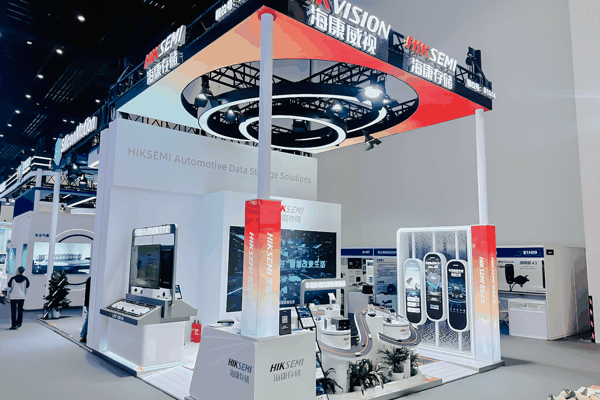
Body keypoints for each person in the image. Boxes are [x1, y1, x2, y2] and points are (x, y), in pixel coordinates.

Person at [80, 276, 91, 343]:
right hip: (90, 303)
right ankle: (83, 335)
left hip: (88, 303)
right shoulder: (92, 279)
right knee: (88, 319)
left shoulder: (90, 279)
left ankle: (83, 335)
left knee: (88, 318)